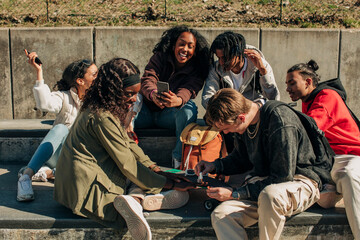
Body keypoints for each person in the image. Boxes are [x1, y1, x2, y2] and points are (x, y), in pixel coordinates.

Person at [54, 58, 196, 240]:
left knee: (142, 174)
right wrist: (171, 183)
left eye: (136, 94)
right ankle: (136, 201)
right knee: (132, 176)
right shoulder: (101, 116)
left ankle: (135, 200)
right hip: (83, 187)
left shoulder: (104, 106)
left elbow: (128, 143)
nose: (134, 99)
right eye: (129, 93)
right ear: (113, 90)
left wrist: (155, 169)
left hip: (75, 180)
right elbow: (128, 164)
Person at [194, 88, 333, 240]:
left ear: (241, 117)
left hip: (299, 182)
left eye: (226, 129)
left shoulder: (279, 119)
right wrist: (215, 165)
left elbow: (282, 178)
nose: (226, 133)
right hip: (263, 186)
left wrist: (235, 194)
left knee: (271, 195)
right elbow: (241, 159)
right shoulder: (244, 125)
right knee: (221, 215)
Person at [286, 60, 360, 240]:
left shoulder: (326, 96)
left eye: (292, 83)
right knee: (324, 200)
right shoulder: (308, 101)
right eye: (287, 84)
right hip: (329, 161)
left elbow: (310, 128)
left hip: (350, 156)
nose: (288, 88)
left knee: (349, 176)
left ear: (308, 82)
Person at [17, 51, 98, 202]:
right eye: (94, 74)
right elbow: (45, 104)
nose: (98, 78)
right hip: (60, 154)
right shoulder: (64, 97)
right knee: (61, 128)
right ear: (80, 81)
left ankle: (49, 173)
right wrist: (39, 72)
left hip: (82, 157)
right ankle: (26, 177)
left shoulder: (99, 100)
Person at [134, 25, 211, 168]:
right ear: (173, 45)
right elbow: (147, 79)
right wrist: (153, 94)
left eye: (190, 46)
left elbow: (190, 89)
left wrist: (178, 100)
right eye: (181, 44)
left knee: (189, 108)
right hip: (145, 112)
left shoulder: (197, 68)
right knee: (128, 105)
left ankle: (178, 160)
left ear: (195, 51)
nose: (185, 49)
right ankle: (128, 154)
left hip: (169, 116)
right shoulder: (160, 57)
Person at [201, 31, 280, 152]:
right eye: (219, 58)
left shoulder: (258, 65)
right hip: (229, 115)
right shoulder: (216, 69)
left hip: (253, 114)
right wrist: (226, 107)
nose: (221, 62)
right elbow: (207, 98)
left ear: (238, 53)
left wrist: (263, 71)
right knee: (222, 122)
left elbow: (273, 98)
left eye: (225, 58)